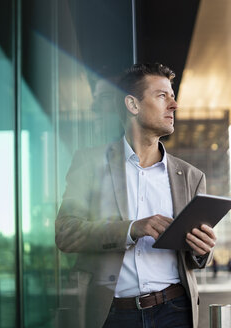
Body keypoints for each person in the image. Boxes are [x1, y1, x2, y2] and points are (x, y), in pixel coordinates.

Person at [55, 63, 216, 328]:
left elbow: (199, 259)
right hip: (113, 314)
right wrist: (132, 229)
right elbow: (66, 234)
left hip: (175, 311)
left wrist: (203, 249)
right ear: (133, 105)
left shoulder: (191, 177)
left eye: (173, 96)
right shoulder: (89, 164)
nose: (174, 105)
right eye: (162, 96)